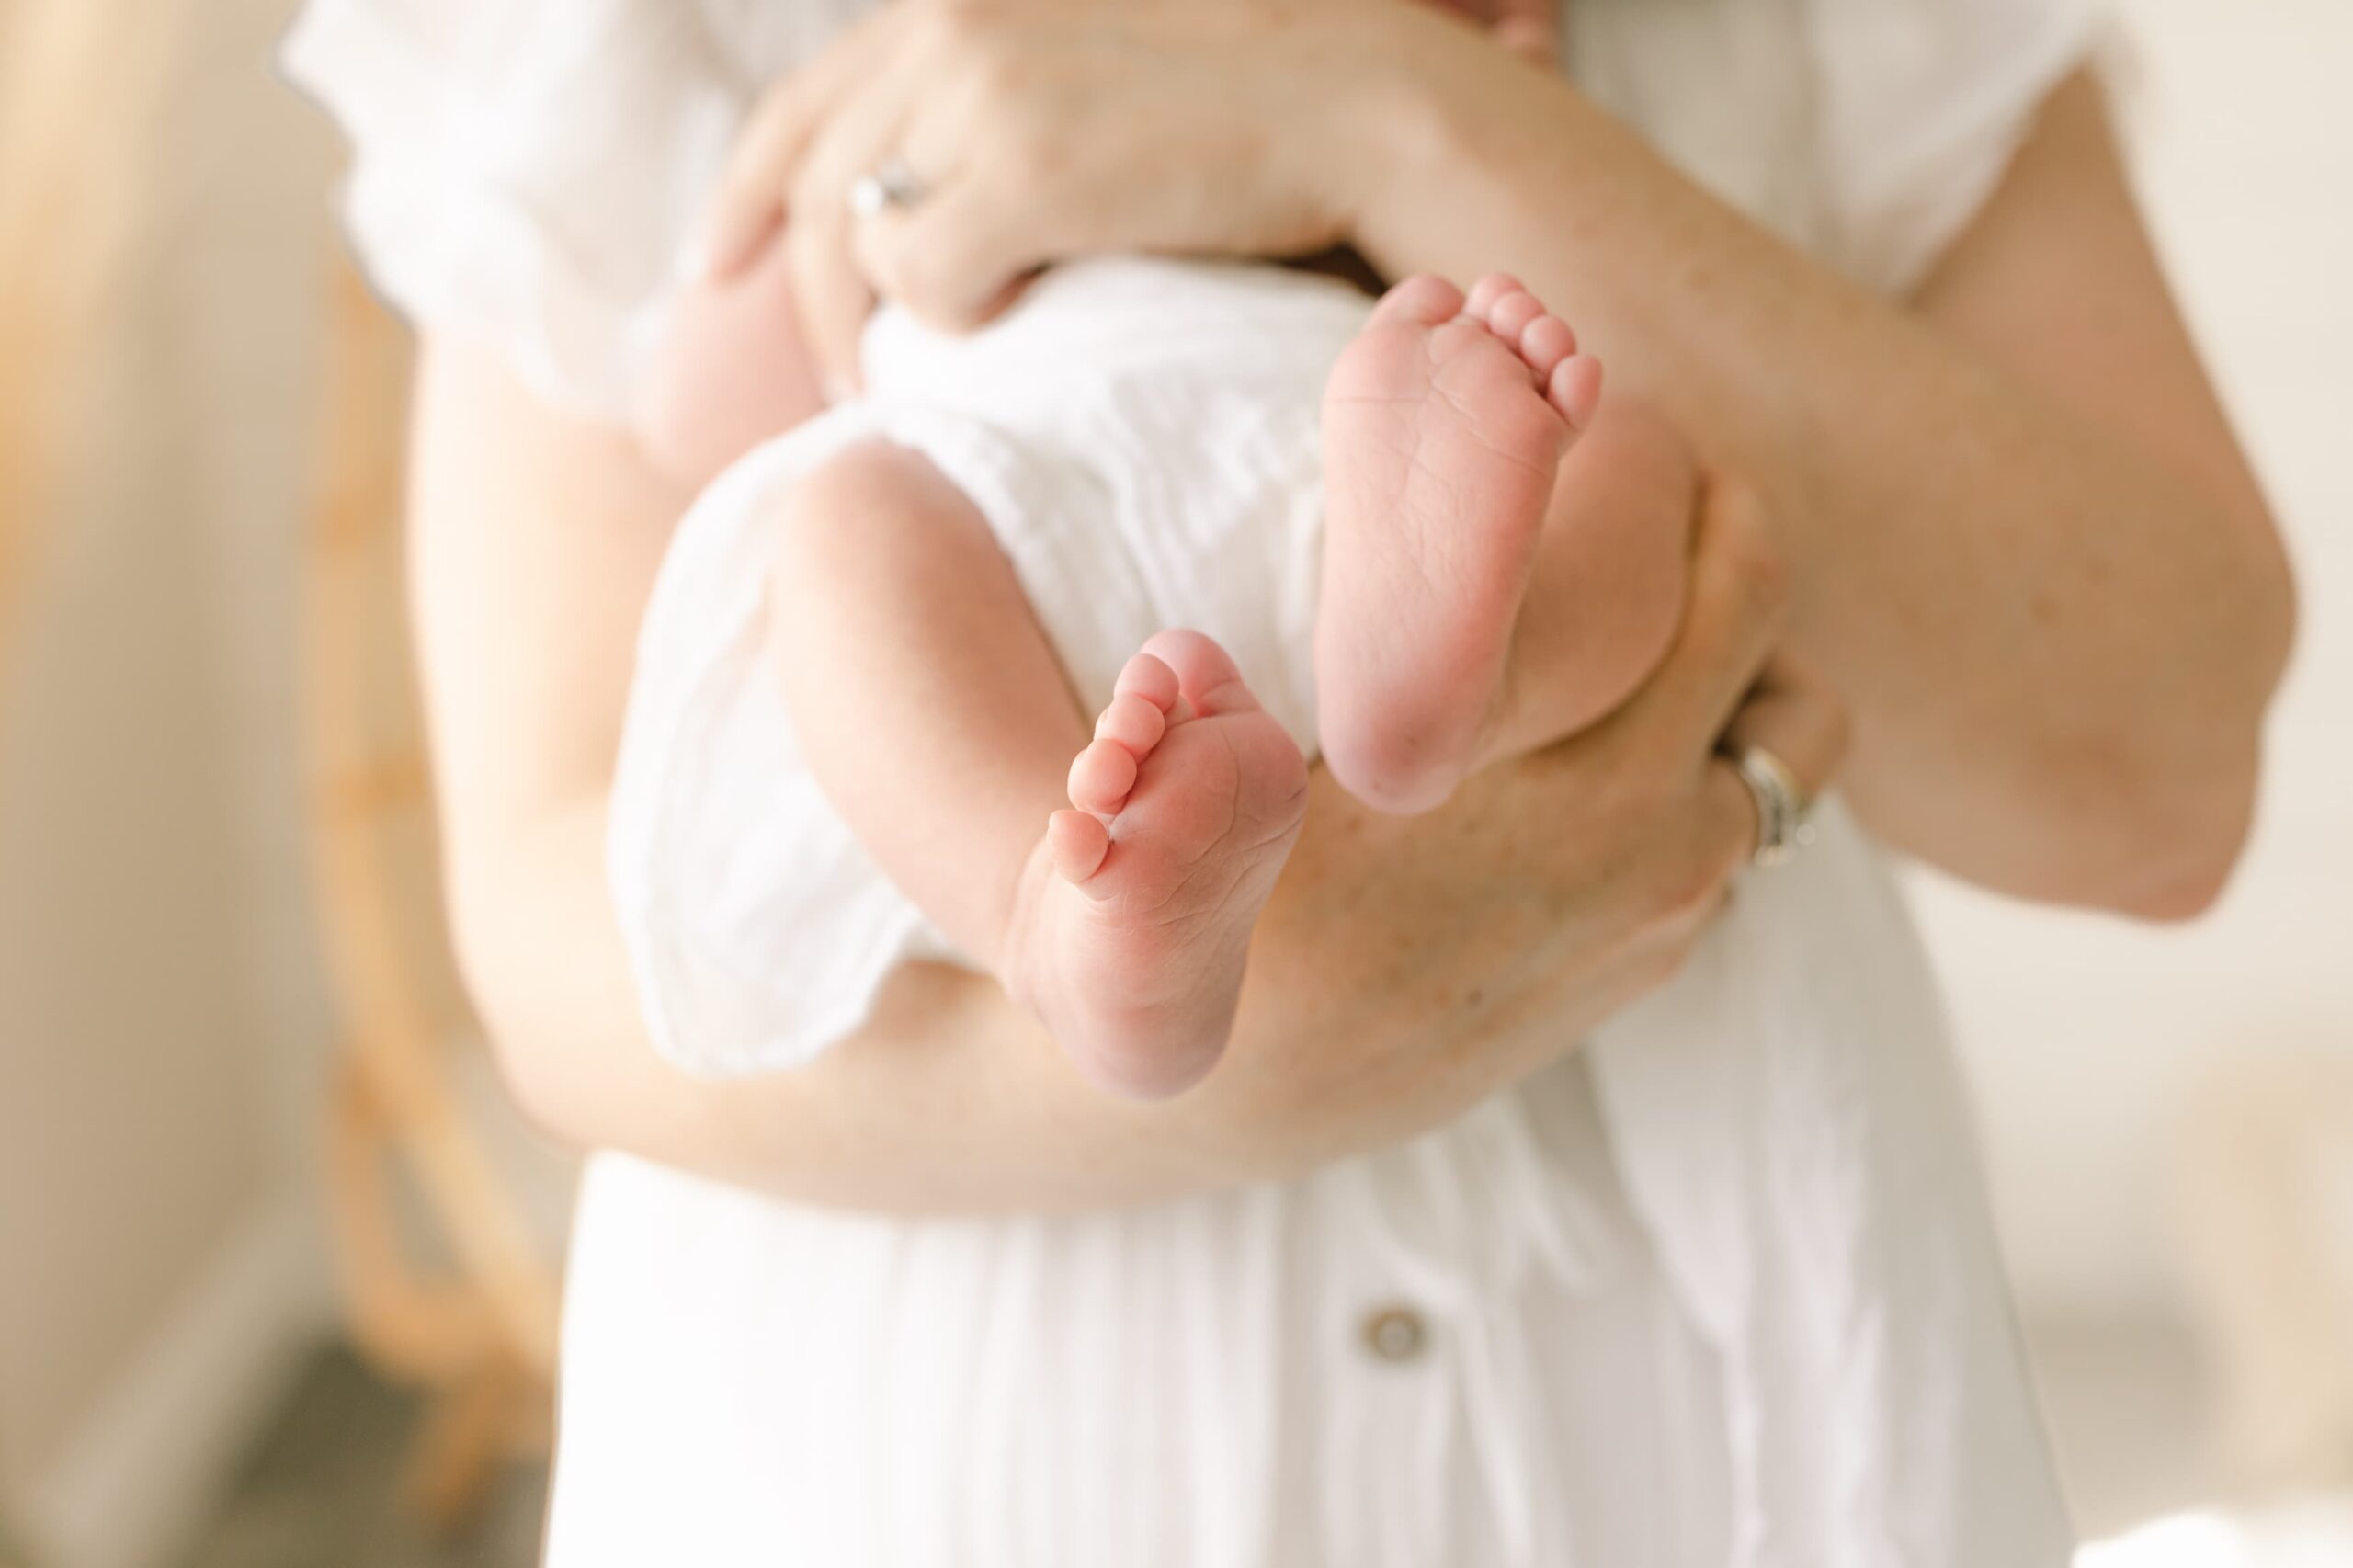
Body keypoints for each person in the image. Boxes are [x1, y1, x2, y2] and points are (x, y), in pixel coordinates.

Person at [284, 0, 2294, 1562]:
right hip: (1008, 539)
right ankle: (1058, 906)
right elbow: (587, 842)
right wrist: (846, 244)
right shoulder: (716, 63)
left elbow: (2161, 763)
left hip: (1392, 450)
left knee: (1636, 479)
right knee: (835, 543)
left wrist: (1394, 119)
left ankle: (1443, 663)